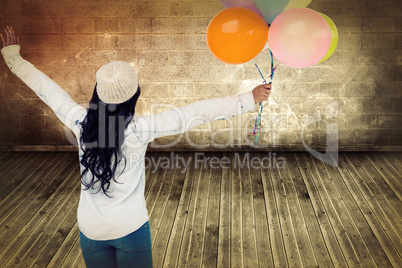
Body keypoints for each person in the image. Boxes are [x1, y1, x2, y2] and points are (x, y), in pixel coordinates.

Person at [1, 26, 271, 268]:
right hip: (130, 228)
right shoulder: (140, 130)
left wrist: (12, 56)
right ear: (133, 97)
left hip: (92, 231)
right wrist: (248, 99)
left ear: (97, 94)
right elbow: (194, 113)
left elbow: (47, 89)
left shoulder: (79, 122)